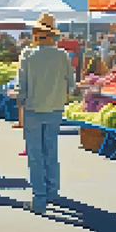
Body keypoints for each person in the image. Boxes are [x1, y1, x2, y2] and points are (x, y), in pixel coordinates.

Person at [17, 13, 75, 215]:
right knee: (51, 151)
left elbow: (21, 86)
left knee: (35, 155)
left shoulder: (27, 54)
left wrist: (20, 99)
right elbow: (71, 85)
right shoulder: (63, 55)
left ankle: (39, 198)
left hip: (33, 109)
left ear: (37, 33)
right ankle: (52, 192)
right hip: (55, 109)